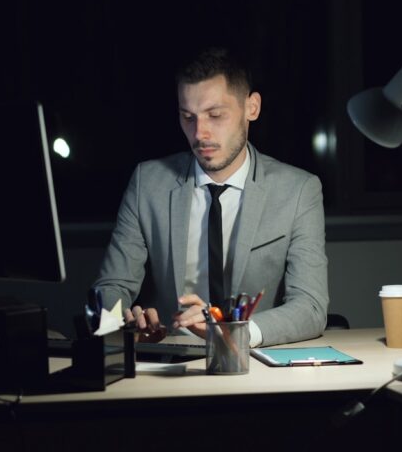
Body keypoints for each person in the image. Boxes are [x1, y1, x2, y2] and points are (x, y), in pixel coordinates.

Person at [92, 47, 328, 347]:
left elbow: (311, 306)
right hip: (170, 361)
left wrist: (234, 332)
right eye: (188, 117)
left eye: (215, 115)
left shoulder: (297, 190)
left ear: (251, 108)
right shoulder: (147, 183)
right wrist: (123, 323)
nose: (200, 133)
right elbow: (110, 287)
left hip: (254, 364)